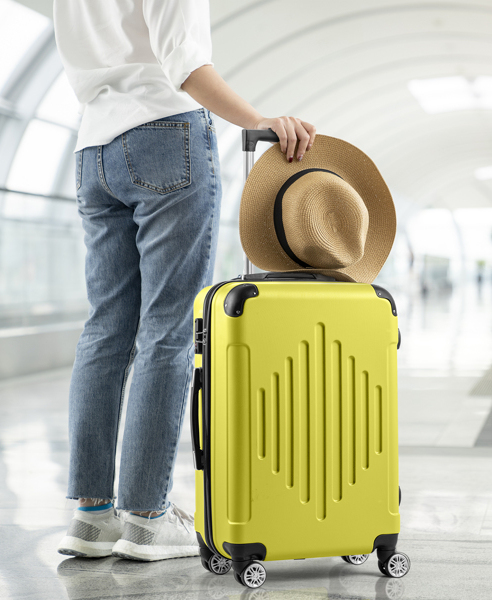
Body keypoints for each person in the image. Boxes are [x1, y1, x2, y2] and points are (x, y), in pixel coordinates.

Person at [53, 0, 316, 561]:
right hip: (164, 135)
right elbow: (186, 64)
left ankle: (91, 516)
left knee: (105, 331)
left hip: (93, 146)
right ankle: (147, 517)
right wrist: (258, 120)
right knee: (168, 330)